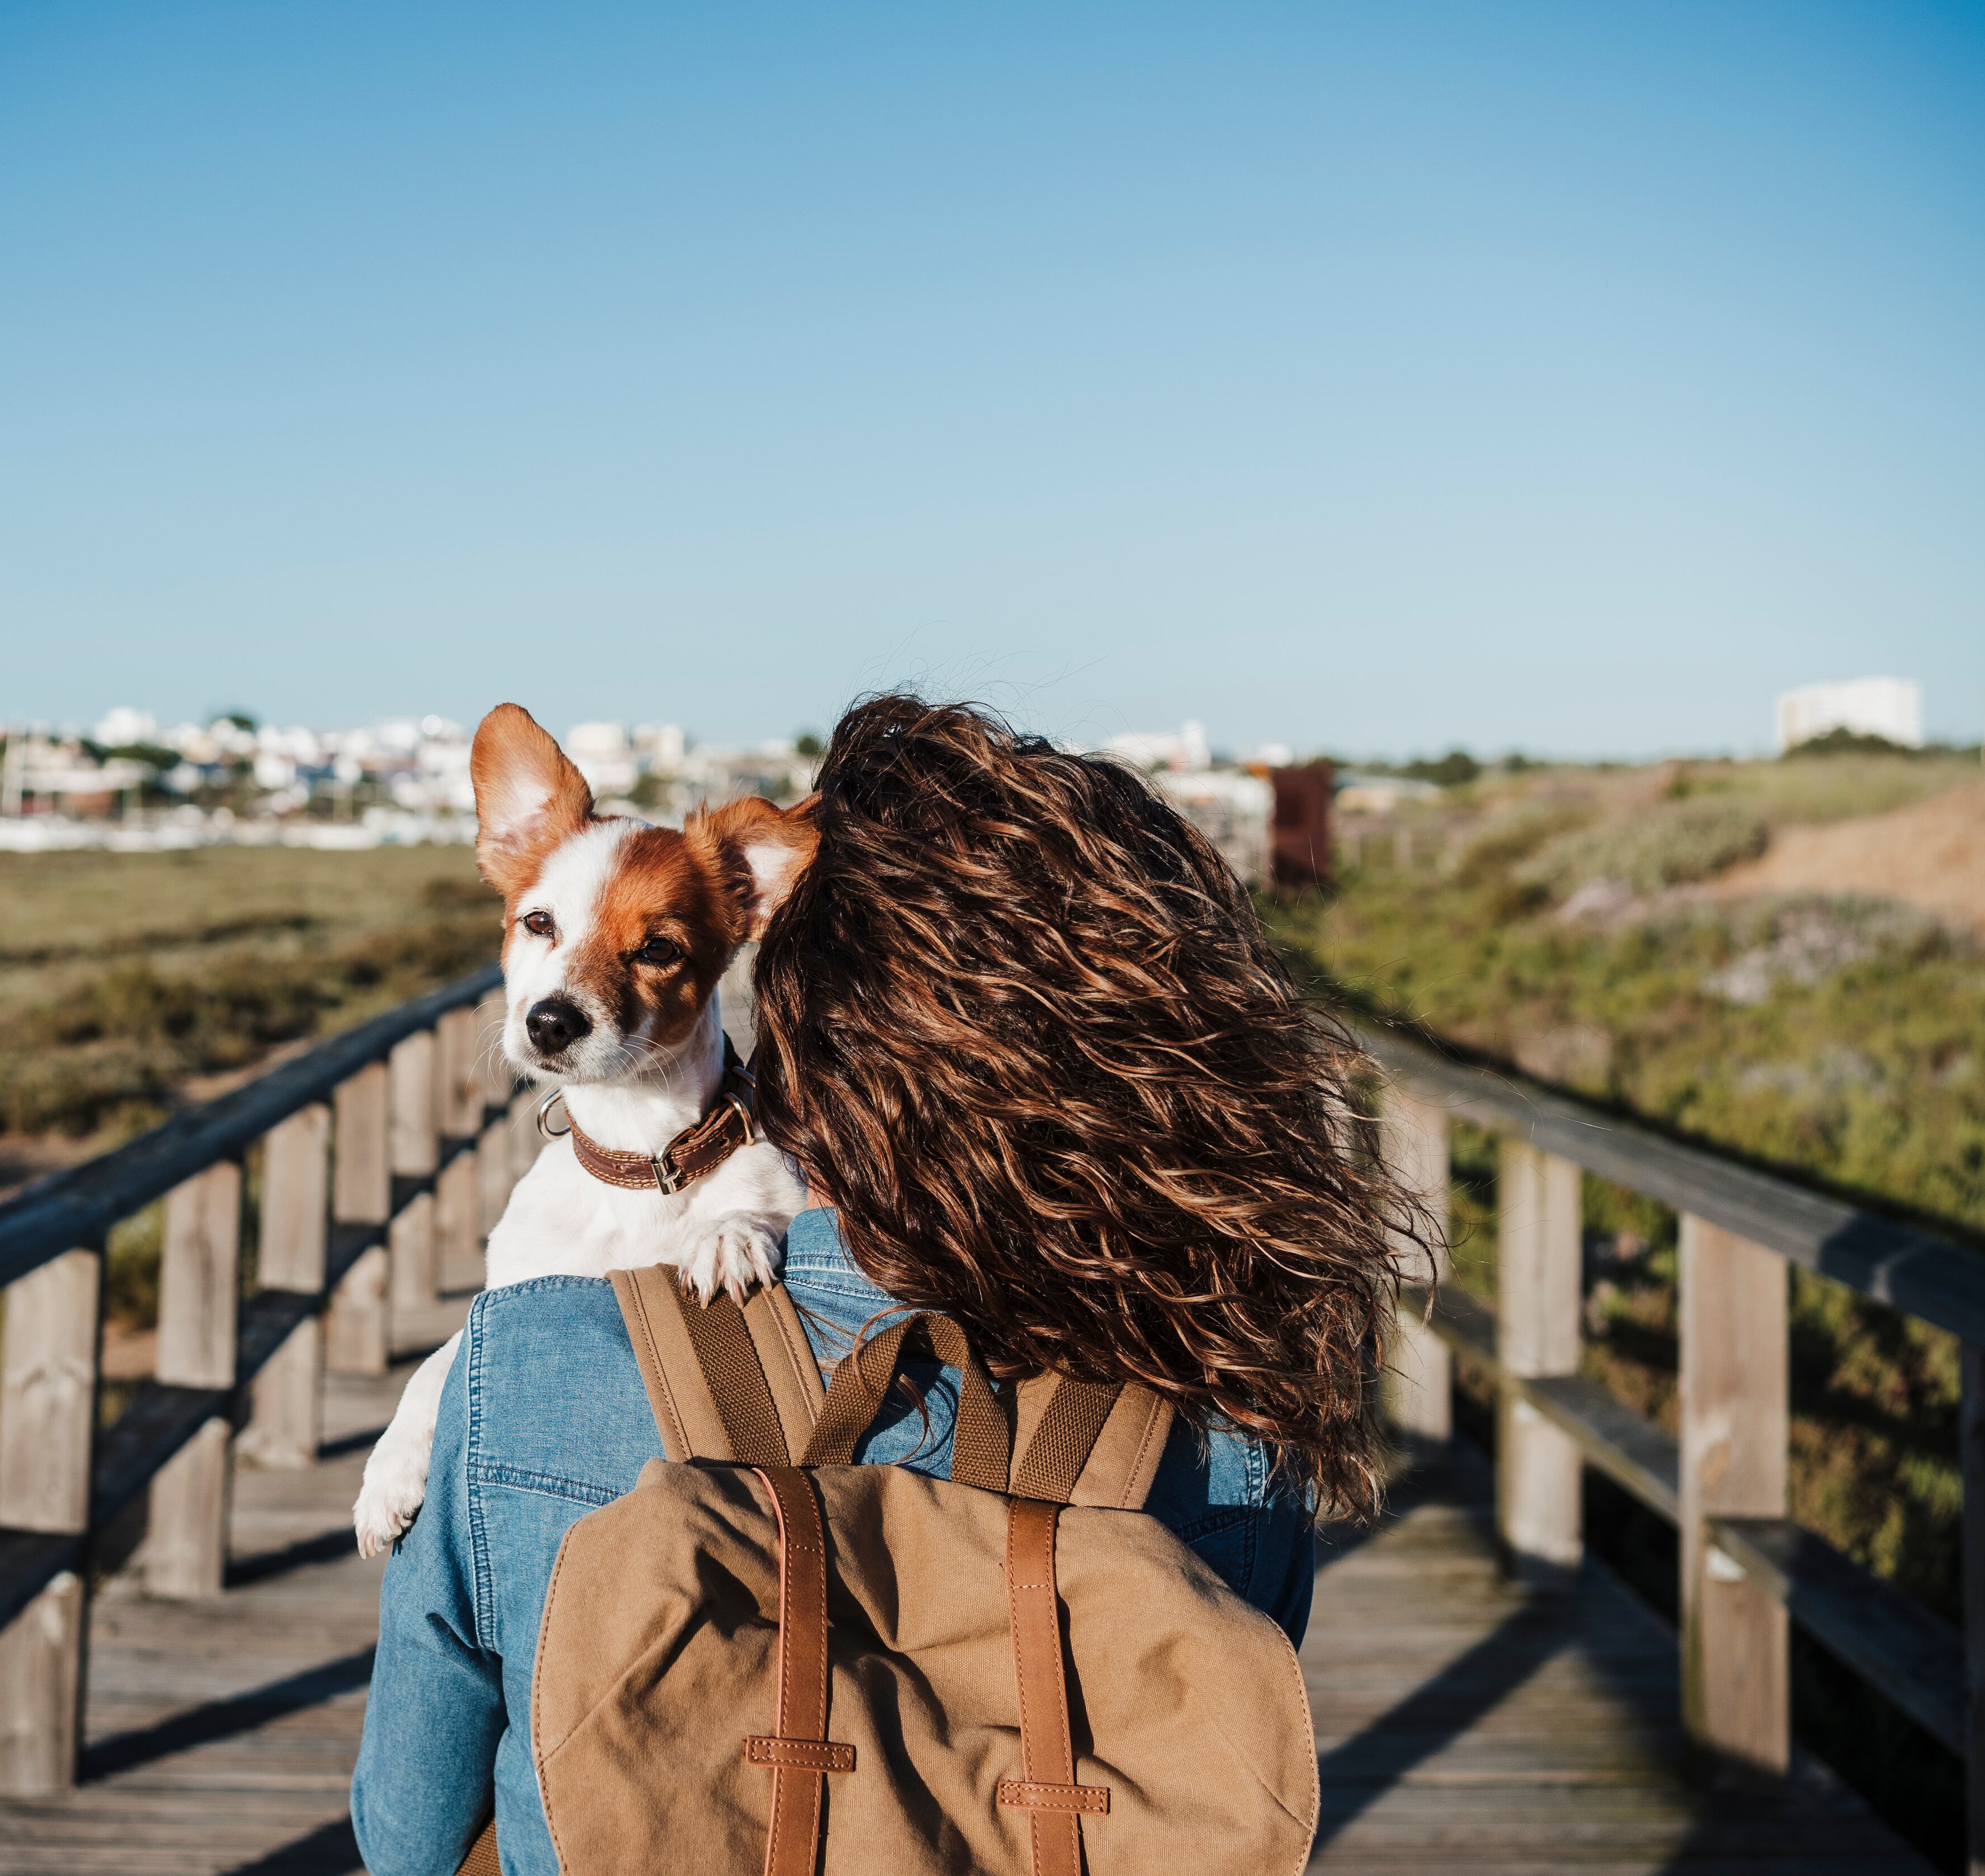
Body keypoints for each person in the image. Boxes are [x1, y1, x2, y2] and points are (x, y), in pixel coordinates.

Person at [351, 695, 1418, 1876]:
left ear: (809, 1030)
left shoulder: (518, 1368)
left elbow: (408, 1832)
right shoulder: (1231, 1402)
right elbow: (1227, 1756)